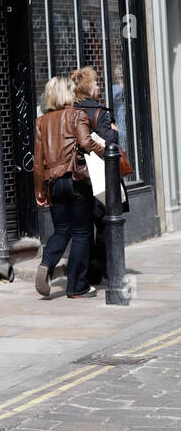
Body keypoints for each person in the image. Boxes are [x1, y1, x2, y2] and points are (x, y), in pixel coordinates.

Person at [33, 75, 103, 298]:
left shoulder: (41, 121)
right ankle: (77, 286)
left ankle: (46, 264)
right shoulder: (77, 115)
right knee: (82, 232)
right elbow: (84, 142)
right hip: (76, 180)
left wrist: (39, 191)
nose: (74, 95)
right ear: (67, 94)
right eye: (72, 91)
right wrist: (103, 149)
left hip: (54, 183)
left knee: (62, 229)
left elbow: (38, 161)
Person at [70, 65, 128, 285]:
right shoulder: (99, 112)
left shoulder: (72, 111)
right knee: (105, 223)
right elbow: (109, 144)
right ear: (88, 88)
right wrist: (113, 130)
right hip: (99, 174)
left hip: (77, 174)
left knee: (83, 226)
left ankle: (84, 273)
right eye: (95, 83)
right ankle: (100, 269)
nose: (98, 87)